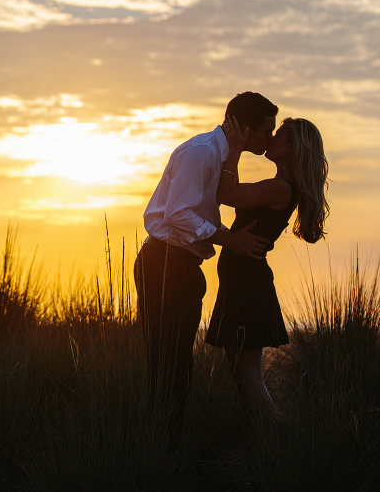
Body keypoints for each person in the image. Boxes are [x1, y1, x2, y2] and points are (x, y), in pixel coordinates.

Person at [134, 92, 279, 420]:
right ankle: (164, 447)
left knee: (178, 362)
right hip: (165, 263)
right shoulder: (202, 152)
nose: (269, 139)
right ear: (245, 129)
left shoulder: (221, 155)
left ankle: (168, 443)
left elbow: (216, 202)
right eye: (266, 131)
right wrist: (231, 240)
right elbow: (179, 214)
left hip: (182, 265)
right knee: (169, 362)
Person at [206, 117, 330, 427]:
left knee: (247, 373)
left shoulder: (280, 188)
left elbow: (227, 195)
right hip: (242, 280)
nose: (271, 138)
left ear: (291, 148)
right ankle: (259, 441)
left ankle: (270, 445)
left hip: (248, 283)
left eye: (279, 136)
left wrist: (234, 150)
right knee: (239, 369)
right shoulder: (281, 186)